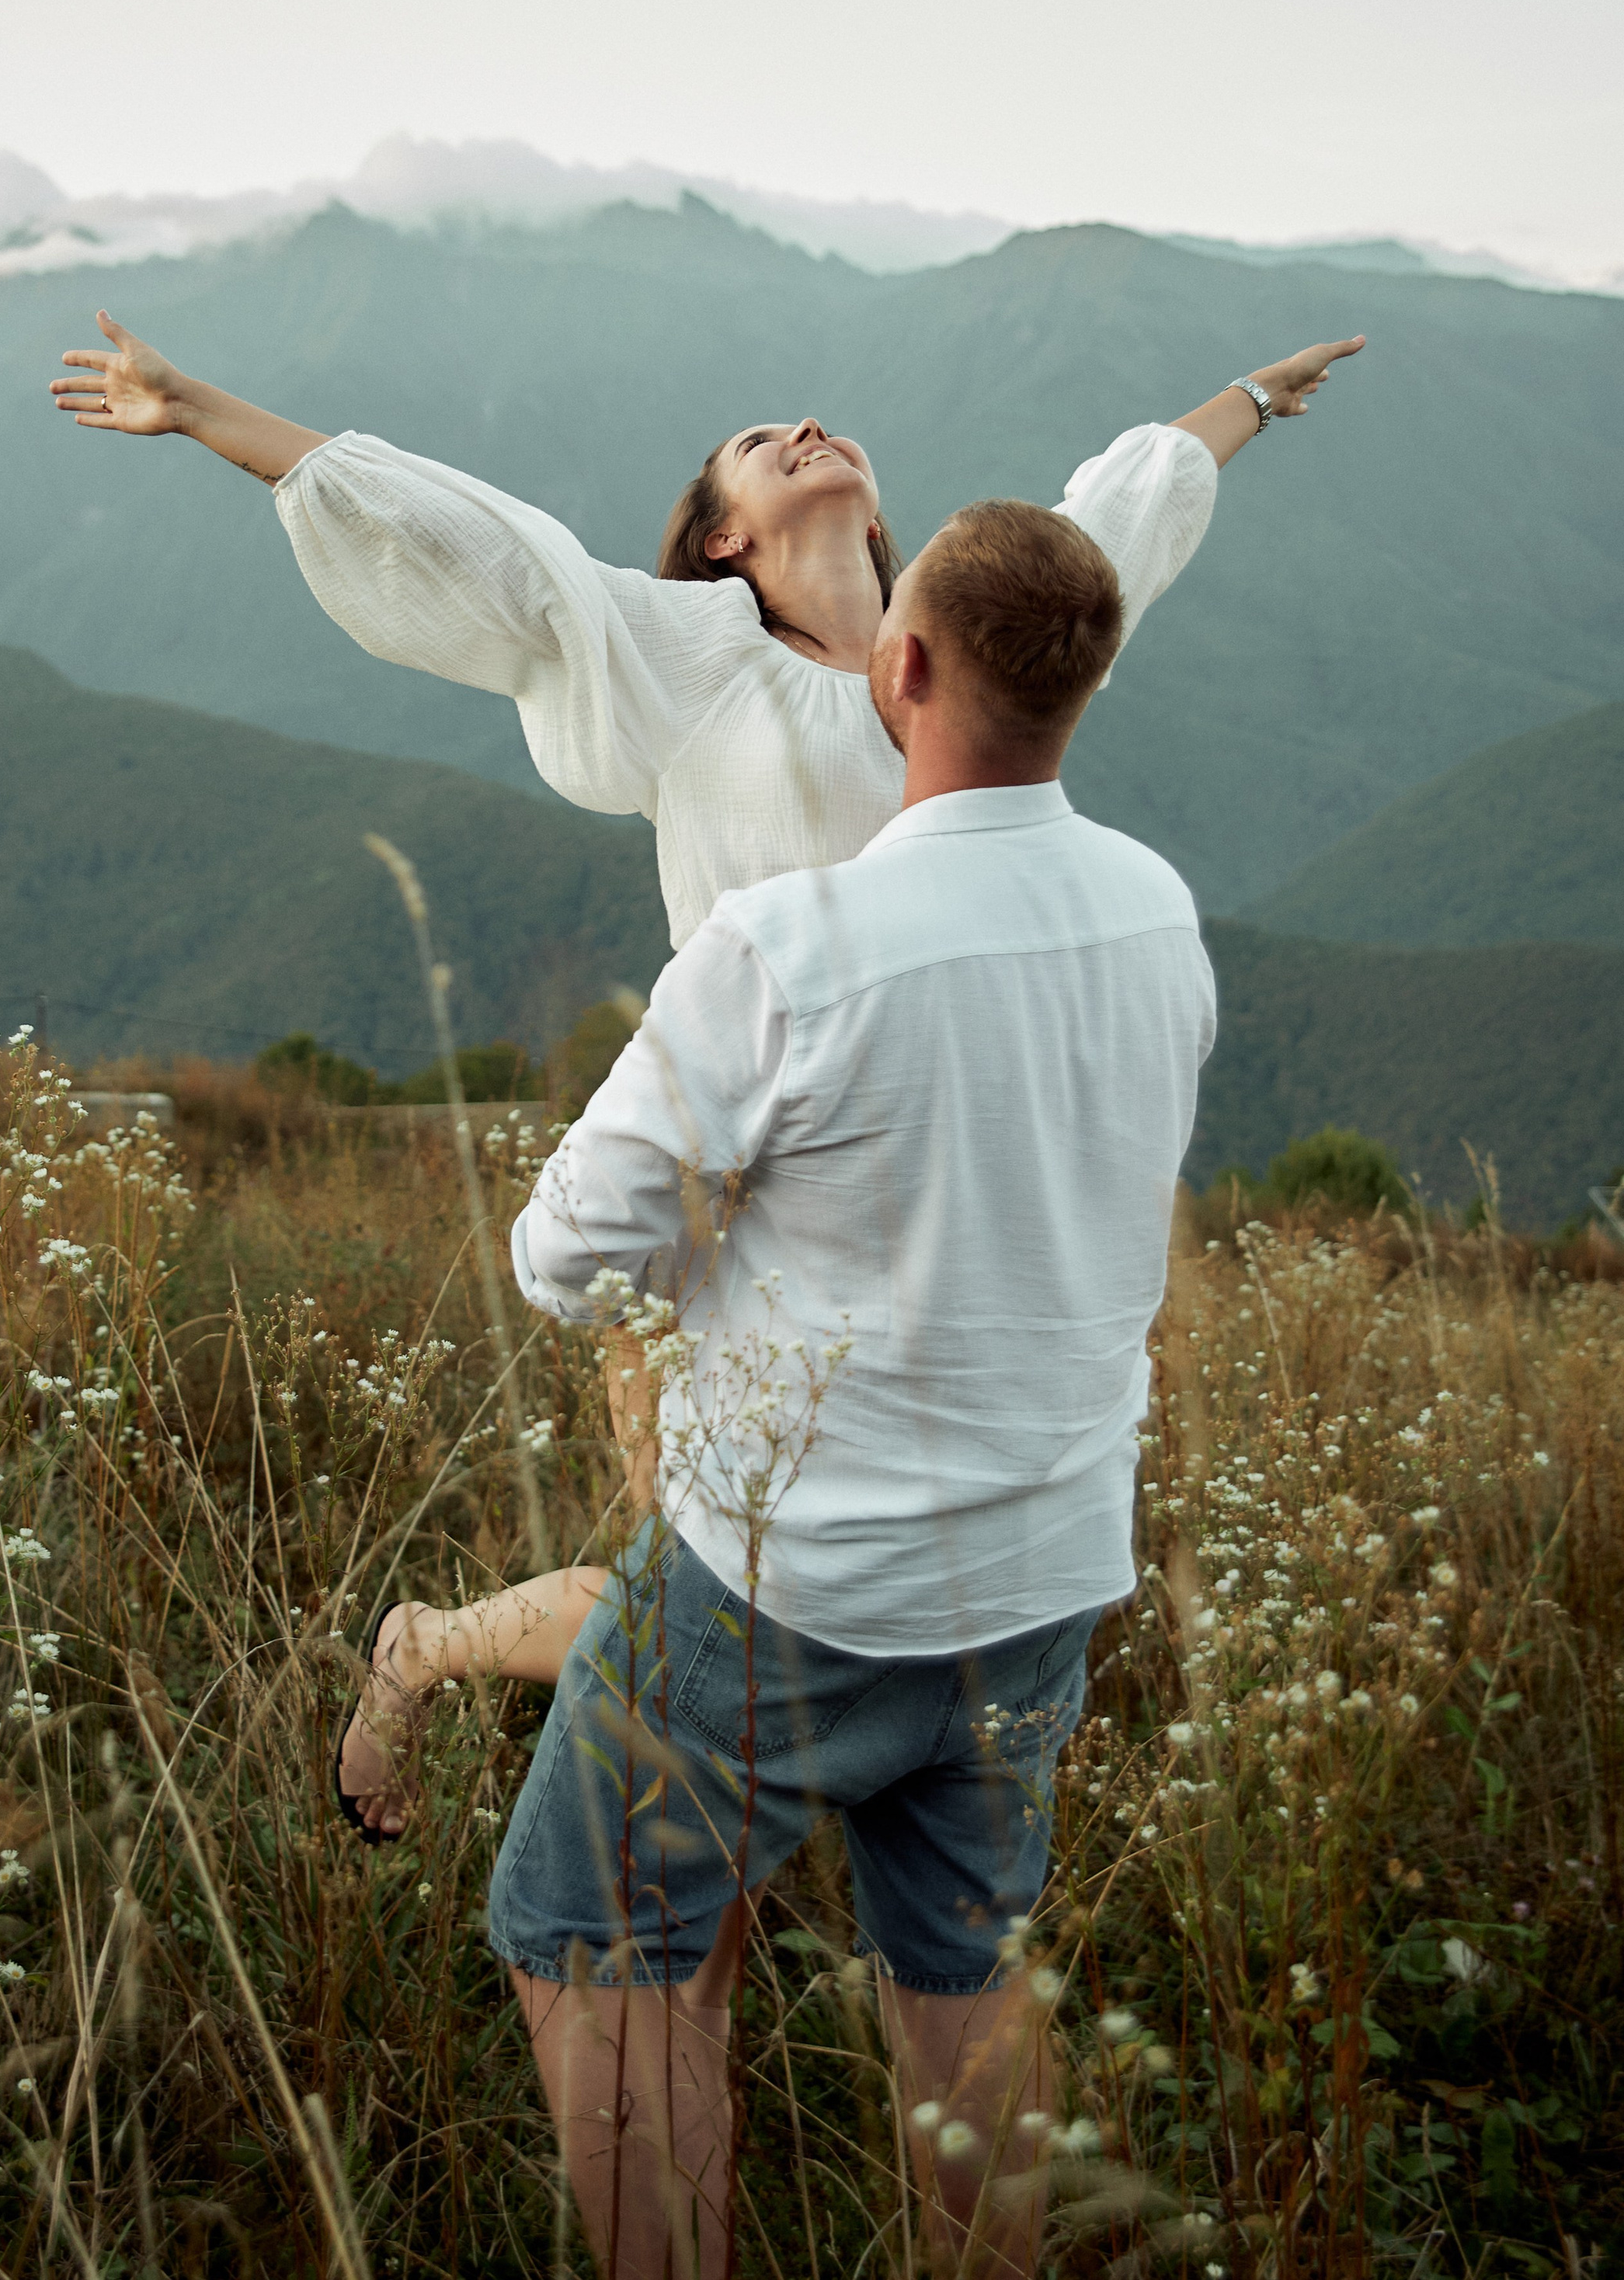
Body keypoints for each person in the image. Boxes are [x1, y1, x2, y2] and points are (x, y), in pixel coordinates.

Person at [47, 310, 1361, 1832]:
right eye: (754, 445)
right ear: (724, 538)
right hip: (716, 1176)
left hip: (917, 1192)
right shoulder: (688, 653)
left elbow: (1101, 529)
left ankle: (585, 1742)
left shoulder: (952, 660)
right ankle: (453, 1680)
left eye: (814, 430)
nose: (800, 423)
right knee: (701, 1569)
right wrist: (200, 406)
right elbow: (482, 546)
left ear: (879, 521)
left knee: (825, 1576)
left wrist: (1252, 400)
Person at [492, 496, 1214, 2277]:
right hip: (1043, 1566)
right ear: (1087, 684)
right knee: (961, 1977)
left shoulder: (783, 951)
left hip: (788, 1581)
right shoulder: (1152, 908)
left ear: (898, 665)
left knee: (581, 1927)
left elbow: (559, 1254)